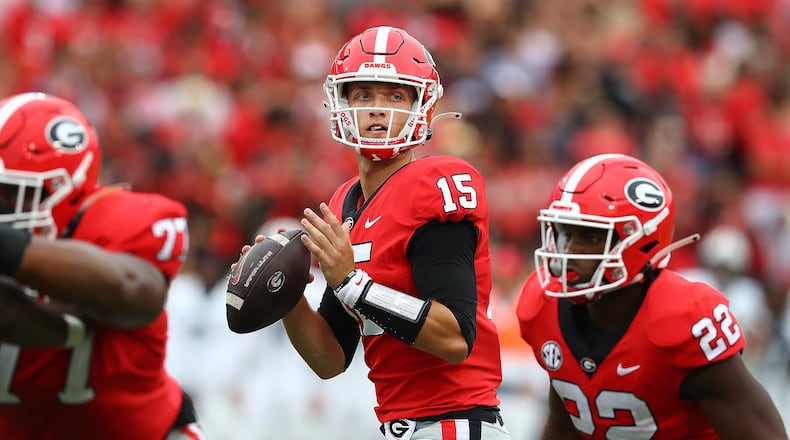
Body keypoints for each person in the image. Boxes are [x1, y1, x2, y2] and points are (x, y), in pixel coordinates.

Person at [240, 26, 510, 439]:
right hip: (396, 426)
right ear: (341, 103)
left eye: (395, 95)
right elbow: (330, 359)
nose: (378, 108)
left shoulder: (439, 182)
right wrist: (288, 296)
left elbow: (456, 337)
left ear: (422, 104)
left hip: (456, 422)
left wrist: (352, 283)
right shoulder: (347, 201)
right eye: (364, 94)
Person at [516, 153, 787, 439]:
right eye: (565, 233)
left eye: (590, 237)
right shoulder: (542, 305)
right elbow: (567, 423)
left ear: (640, 242)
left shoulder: (683, 321)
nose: (568, 252)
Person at [0, 92, 203, 439]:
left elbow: (136, 293)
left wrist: (8, 246)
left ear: (63, 189)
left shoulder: (123, 222)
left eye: (8, 194)